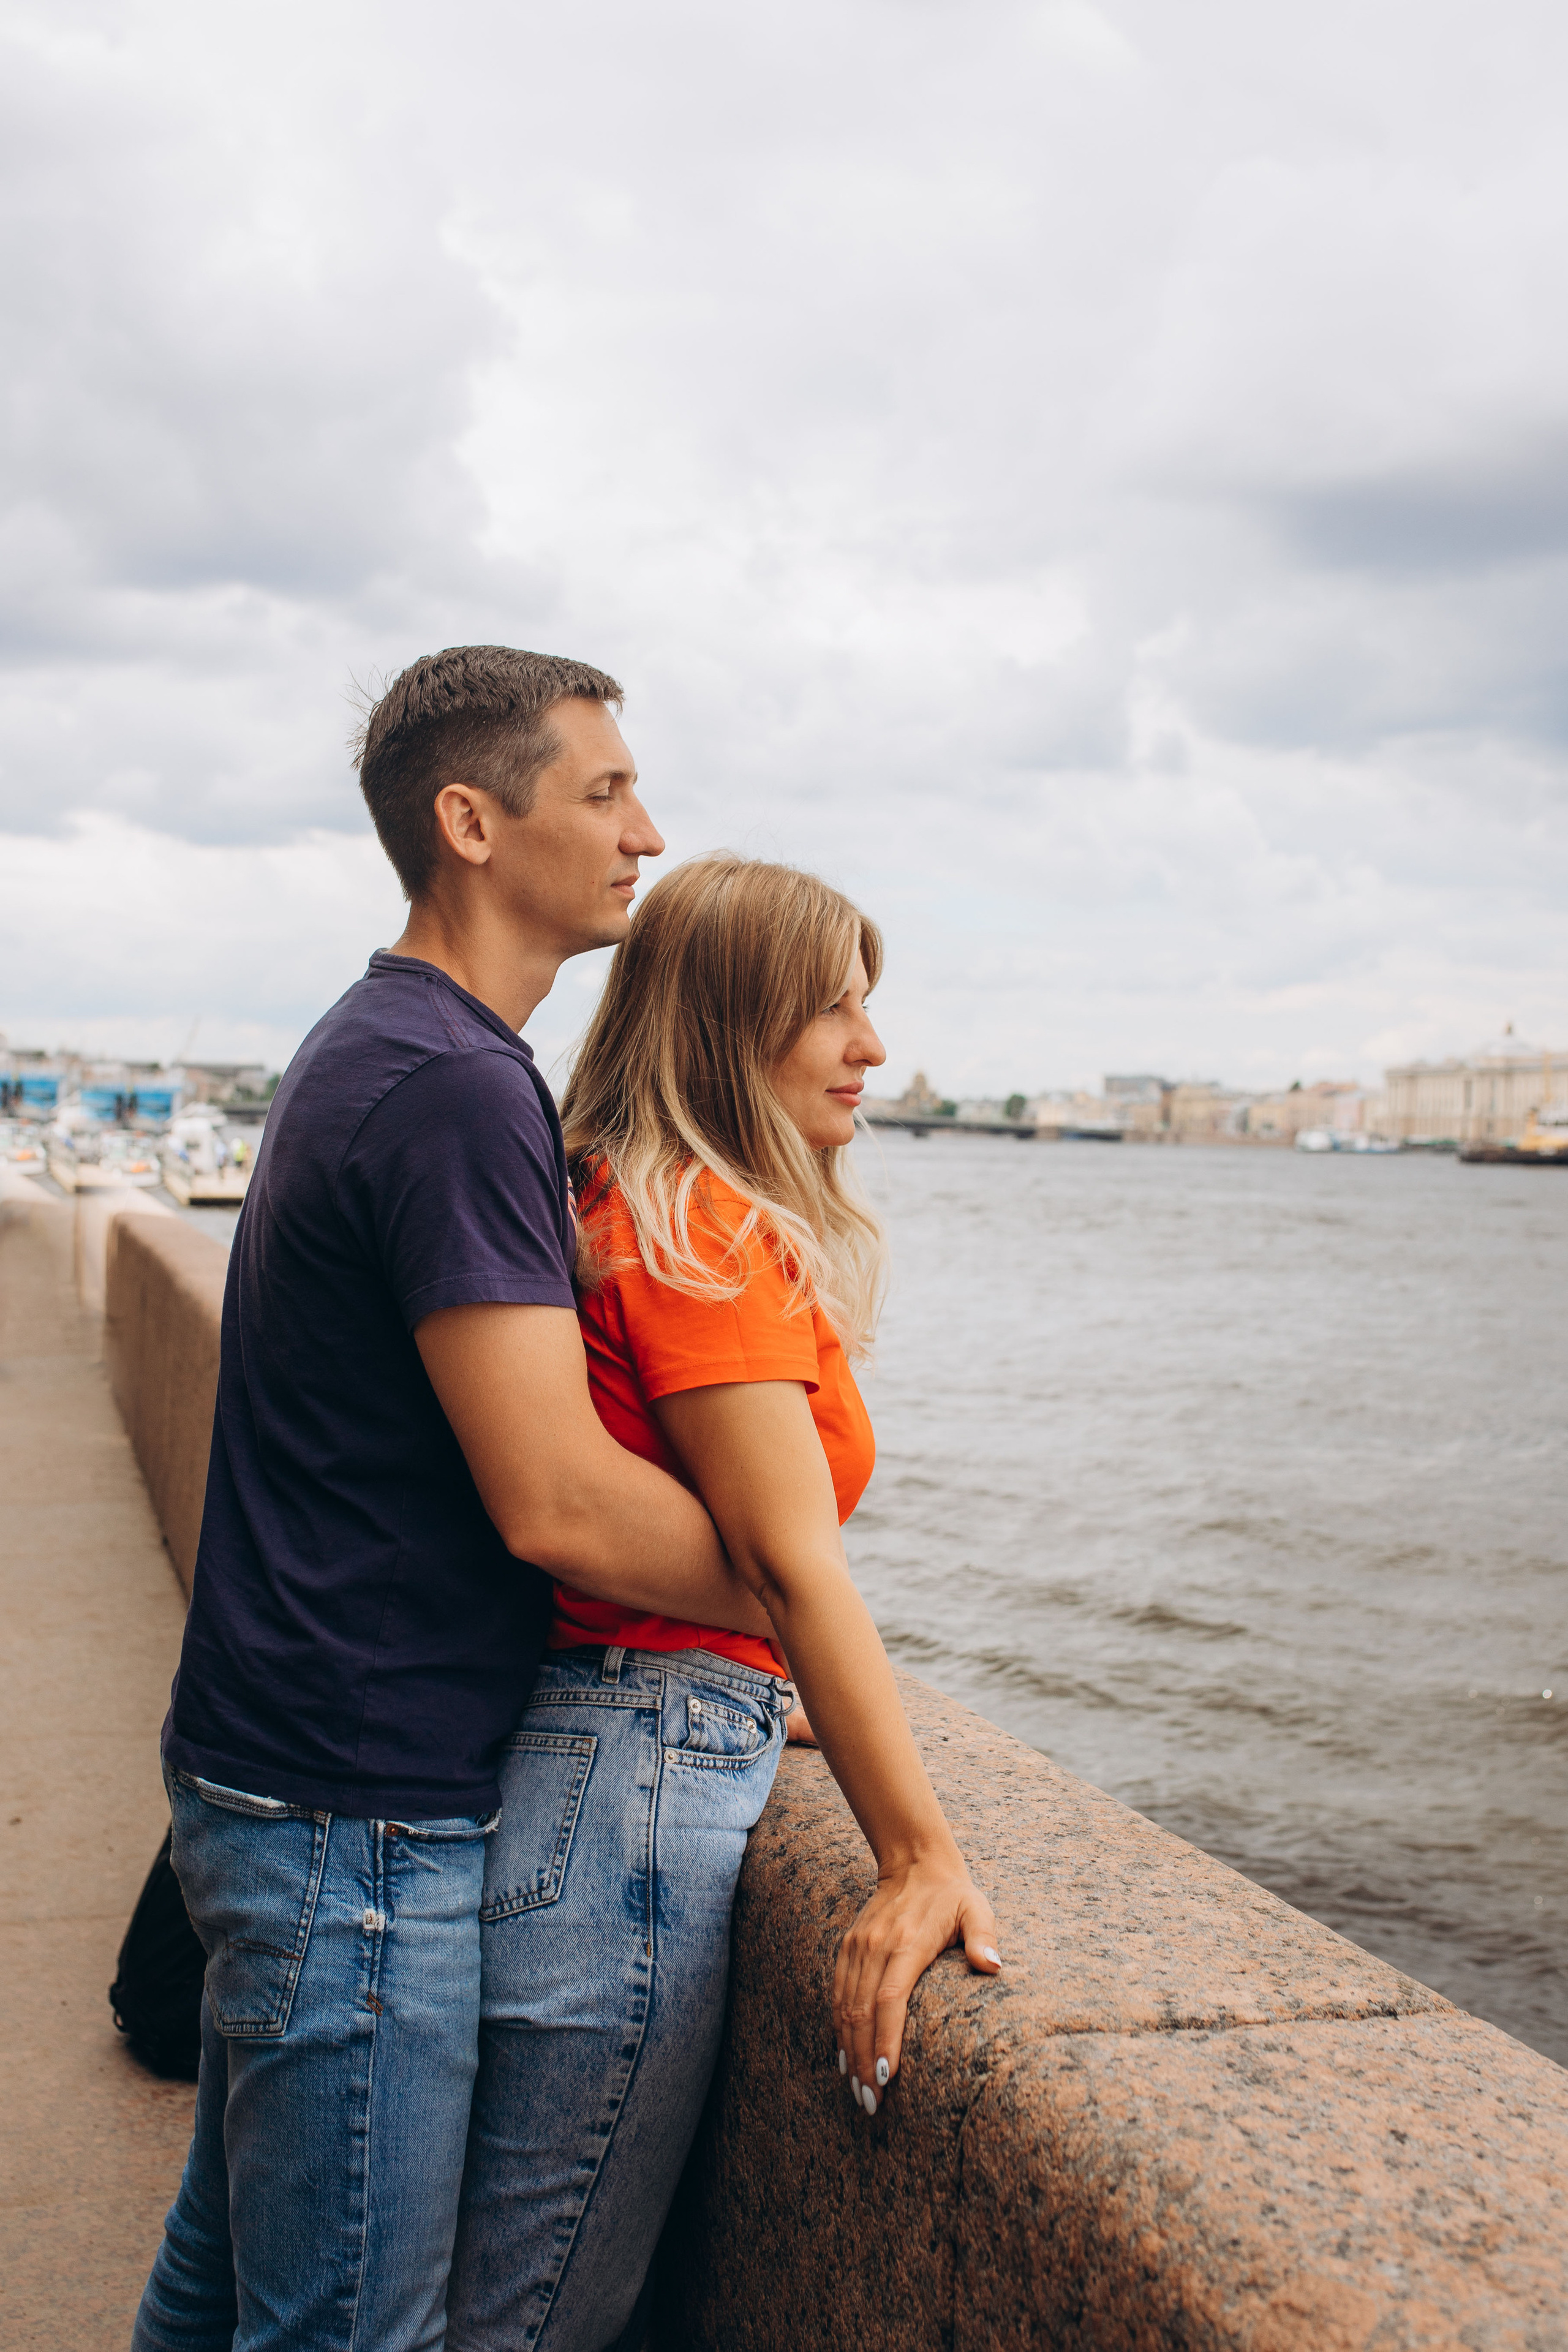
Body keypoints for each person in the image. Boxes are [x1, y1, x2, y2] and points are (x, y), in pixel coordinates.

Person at [133, 650, 772, 2352]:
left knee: (223, 2290)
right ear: (471, 821)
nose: (647, 828)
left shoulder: (380, 1040)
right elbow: (558, 1500)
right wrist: (799, 1595)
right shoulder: (453, 1085)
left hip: (279, 1766)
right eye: (605, 792)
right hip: (356, 1817)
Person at [444, 856, 1000, 2352]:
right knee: (539, 2310)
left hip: (584, 1759)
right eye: (831, 1011)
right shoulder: (702, 1231)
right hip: (632, 1778)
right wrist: (916, 1853)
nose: (870, 1048)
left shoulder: (608, 1192)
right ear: (728, 1027)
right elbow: (785, 1561)